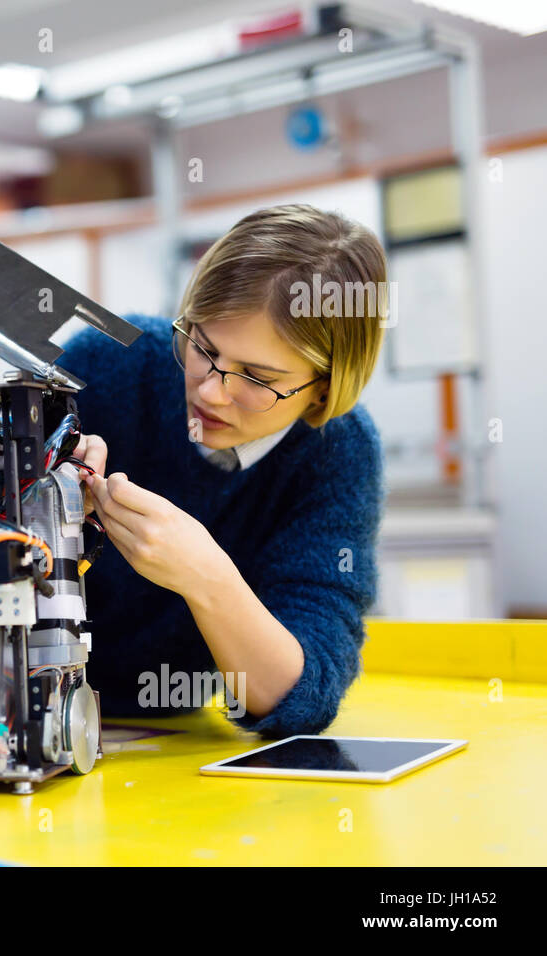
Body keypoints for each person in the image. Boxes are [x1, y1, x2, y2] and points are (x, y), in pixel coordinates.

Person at [62, 205, 388, 738]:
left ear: (325, 388)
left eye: (258, 377)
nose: (211, 392)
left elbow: (301, 693)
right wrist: (42, 483)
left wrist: (204, 575)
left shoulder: (338, 453)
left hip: (169, 740)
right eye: (204, 349)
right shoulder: (108, 361)